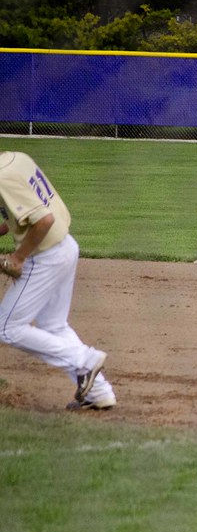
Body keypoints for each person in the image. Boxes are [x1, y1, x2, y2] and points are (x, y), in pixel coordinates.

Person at [0, 150, 115, 410]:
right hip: (65, 246)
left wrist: (18, 257)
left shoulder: (2, 178)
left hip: (45, 256)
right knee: (53, 324)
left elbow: (44, 220)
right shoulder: (16, 159)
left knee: (6, 327)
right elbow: (22, 213)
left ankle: (85, 360)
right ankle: (99, 393)